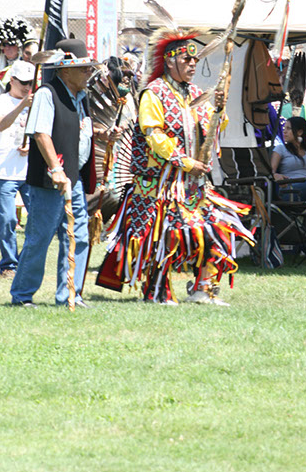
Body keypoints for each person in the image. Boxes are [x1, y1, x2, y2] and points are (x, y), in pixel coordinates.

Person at [97, 27, 254, 306]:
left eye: (195, 61)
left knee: (215, 230)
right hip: (160, 185)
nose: (192, 65)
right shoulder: (154, 93)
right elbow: (153, 133)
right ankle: (156, 292)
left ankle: (202, 290)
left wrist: (219, 111)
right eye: (186, 60)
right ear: (170, 61)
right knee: (163, 237)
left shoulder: (196, 93)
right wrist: (184, 161)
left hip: (194, 185)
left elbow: (210, 132)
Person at [10, 39, 97, 308]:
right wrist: (56, 169)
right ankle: (23, 295)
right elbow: (41, 133)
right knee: (40, 238)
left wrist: (104, 134)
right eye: (83, 69)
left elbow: (74, 132)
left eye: (88, 69)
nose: (88, 74)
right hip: (51, 180)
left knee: (79, 236)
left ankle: (70, 294)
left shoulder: (81, 98)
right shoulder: (48, 94)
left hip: (74, 179)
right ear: (65, 70)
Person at [0, 61, 34, 277]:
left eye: (31, 83)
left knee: (36, 219)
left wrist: (31, 144)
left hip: (29, 171)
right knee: (7, 219)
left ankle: (28, 262)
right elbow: (0, 124)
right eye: (24, 83)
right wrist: (22, 106)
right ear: (13, 81)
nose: (28, 87)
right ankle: (9, 263)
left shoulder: (35, 102)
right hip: (3, 171)